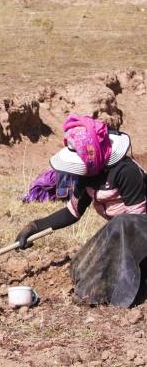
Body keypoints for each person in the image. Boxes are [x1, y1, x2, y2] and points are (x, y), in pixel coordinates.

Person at [14, 114, 147, 307]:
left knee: (121, 224)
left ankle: (112, 291)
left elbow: (137, 225)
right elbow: (72, 213)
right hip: (124, 235)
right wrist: (34, 227)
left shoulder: (126, 172)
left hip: (140, 238)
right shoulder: (87, 177)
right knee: (80, 266)